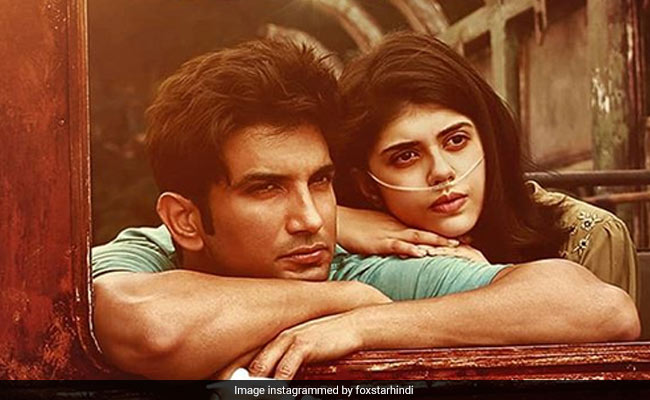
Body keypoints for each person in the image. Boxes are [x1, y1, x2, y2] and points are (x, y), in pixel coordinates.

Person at [92, 38, 639, 380]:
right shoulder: (145, 254)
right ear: (185, 220)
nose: (310, 220)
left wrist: (370, 324)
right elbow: (150, 328)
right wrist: (344, 300)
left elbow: (601, 309)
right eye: (266, 189)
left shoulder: (369, 268)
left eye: (321, 181)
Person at [332, 31, 638, 304]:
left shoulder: (588, 236)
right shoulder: (346, 250)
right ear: (366, 186)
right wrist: (334, 223)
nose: (442, 172)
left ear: (487, 140)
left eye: (456, 140)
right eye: (406, 156)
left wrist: (488, 285)